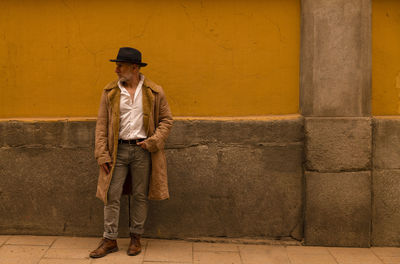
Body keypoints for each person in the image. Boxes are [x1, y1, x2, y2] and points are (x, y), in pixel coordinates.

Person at [90, 47, 173, 258]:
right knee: (111, 194)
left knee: (140, 196)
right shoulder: (110, 92)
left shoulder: (154, 91)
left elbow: (166, 120)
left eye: (120, 65)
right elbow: (102, 124)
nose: (116, 69)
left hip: (142, 150)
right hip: (116, 150)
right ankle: (109, 239)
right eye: (116, 65)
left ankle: (136, 237)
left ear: (134, 68)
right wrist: (102, 154)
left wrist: (153, 142)